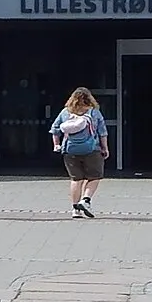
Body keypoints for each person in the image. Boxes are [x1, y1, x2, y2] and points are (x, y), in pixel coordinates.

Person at [50, 86, 110, 218]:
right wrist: (105, 148)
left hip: (70, 150)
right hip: (92, 150)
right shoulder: (94, 113)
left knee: (76, 179)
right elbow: (102, 132)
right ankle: (86, 200)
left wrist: (57, 145)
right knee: (94, 177)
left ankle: (75, 210)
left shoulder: (65, 112)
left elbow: (55, 130)